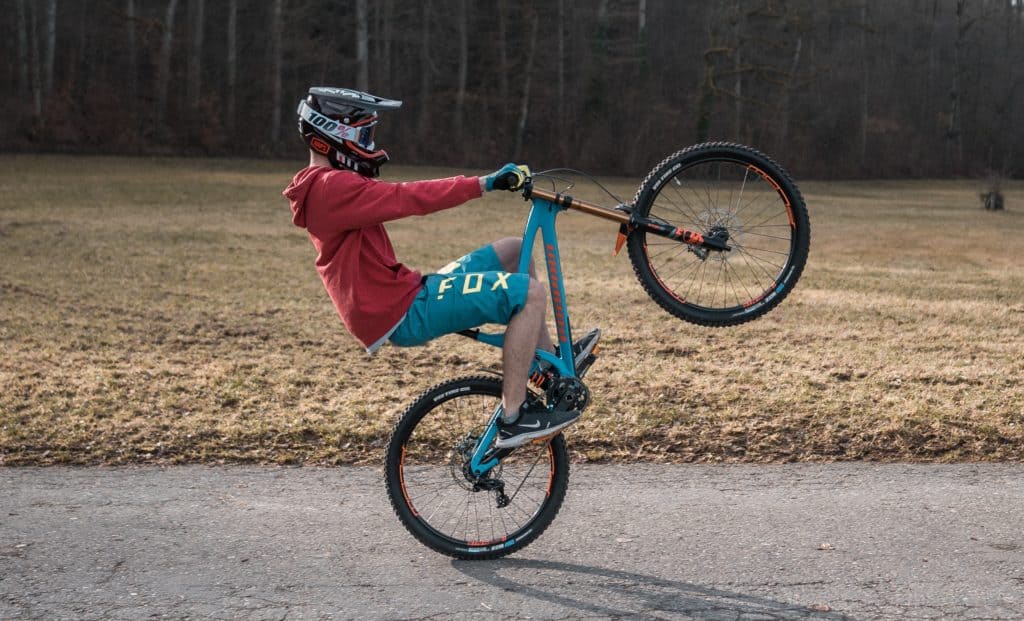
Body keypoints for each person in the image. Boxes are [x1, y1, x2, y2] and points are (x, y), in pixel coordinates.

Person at [282, 87, 597, 449]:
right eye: (365, 135)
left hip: (405, 293)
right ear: (331, 138)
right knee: (529, 293)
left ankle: (542, 371)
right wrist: (484, 183)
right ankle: (514, 416)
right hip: (401, 311)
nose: (371, 145)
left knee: (513, 250)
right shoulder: (330, 188)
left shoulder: (328, 187)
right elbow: (408, 197)